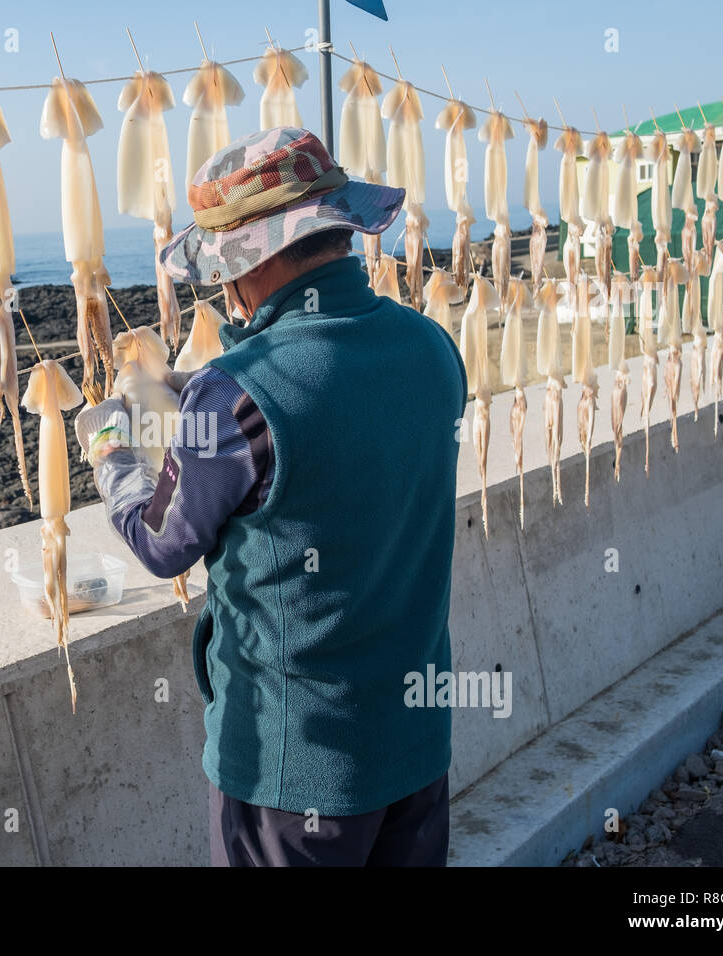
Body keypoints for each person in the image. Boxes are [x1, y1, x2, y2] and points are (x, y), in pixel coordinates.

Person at [74, 127, 467, 867]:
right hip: (415, 747)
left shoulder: (237, 394)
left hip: (293, 775)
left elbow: (163, 541)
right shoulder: (433, 348)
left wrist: (109, 448)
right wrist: (192, 397)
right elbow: (338, 413)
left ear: (245, 266)